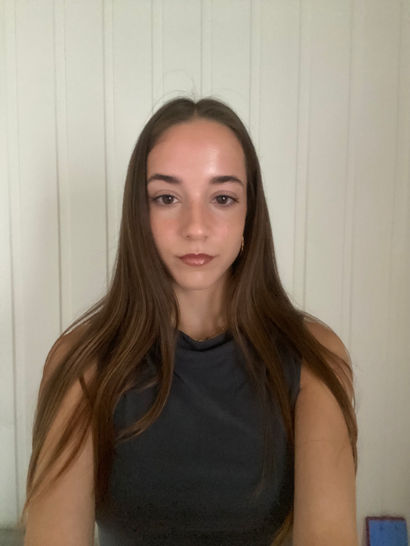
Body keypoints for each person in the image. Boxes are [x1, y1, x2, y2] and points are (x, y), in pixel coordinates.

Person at [20, 96, 358, 545]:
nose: (195, 227)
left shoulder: (314, 358)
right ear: (140, 215)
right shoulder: (81, 362)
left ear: (249, 214)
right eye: (167, 198)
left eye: (222, 198)